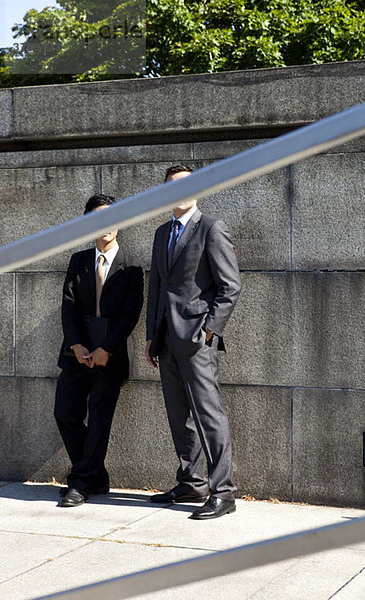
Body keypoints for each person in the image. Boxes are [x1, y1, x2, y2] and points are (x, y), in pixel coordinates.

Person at [145, 165, 241, 520]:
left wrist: (209, 332)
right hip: (166, 340)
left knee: (208, 415)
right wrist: (151, 336)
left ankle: (224, 492)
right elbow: (156, 286)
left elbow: (230, 287)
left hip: (197, 340)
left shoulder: (212, 229)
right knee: (178, 416)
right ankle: (191, 481)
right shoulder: (160, 234)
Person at [55, 194, 144, 507]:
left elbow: (132, 312)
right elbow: (68, 306)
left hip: (111, 354)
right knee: (65, 412)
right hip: (77, 351)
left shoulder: (132, 265)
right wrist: (77, 344)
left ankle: (79, 483)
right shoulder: (78, 260)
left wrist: (107, 347)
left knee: (99, 418)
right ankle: (95, 475)